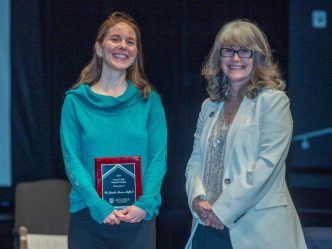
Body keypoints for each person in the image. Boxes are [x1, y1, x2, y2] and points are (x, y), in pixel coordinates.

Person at [185, 19, 307, 249]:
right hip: (206, 224)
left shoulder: (273, 102)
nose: (236, 58)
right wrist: (197, 198)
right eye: (228, 51)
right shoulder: (209, 106)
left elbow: (266, 166)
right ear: (218, 57)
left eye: (245, 51)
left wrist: (221, 211)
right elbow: (196, 160)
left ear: (258, 57)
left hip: (258, 228)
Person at [60, 12, 167, 249]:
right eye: (115, 39)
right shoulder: (75, 101)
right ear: (99, 48)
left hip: (138, 216)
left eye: (130, 42)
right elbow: (72, 160)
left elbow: (158, 159)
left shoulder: (150, 101)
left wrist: (146, 203)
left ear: (136, 52)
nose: (123, 46)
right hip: (89, 215)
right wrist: (97, 205)